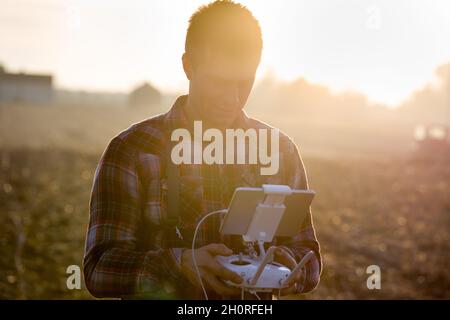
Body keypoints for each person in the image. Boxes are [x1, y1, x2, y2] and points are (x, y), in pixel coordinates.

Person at [83, 0, 321, 299]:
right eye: (219, 82)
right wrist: (180, 264)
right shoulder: (132, 151)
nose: (232, 98)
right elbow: (98, 271)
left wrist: (289, 266)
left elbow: (309, 258)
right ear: (188, 66)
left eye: (243, 83)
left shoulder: (280, 151)